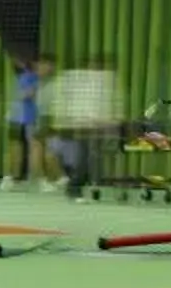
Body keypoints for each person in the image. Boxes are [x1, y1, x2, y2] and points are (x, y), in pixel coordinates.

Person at [43, 57, 124, 202]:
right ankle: (74, 188)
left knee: (92, 159)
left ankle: (78, 185)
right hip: (81, 127)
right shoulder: (76, 81)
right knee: (83, 158)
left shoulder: (107, 82)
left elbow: (114, 104)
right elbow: (67, 104)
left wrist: (113, 120)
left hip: (100, 127)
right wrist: (65, 121)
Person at [3, 54, 53, 192]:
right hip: (21, 118)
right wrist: (33, 91)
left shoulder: (35, 78)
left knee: (33, 149)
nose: (49, 69)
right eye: (46, 66)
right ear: (38, 65)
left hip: (27, 118)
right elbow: (23, 95)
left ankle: (14, 179)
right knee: (25, 149)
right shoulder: (30, 77)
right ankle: (12, 179)